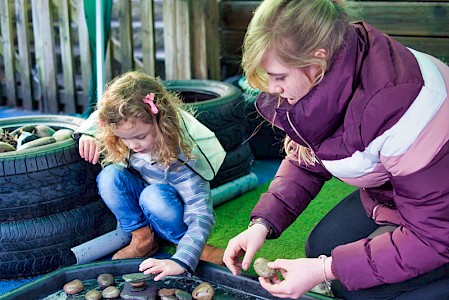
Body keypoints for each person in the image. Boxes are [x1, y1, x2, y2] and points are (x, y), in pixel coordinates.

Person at [222, 0, 449, 299]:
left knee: (354, 287)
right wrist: (262, 223)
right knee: (321, 248)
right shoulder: (331, 68)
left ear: (318, 60)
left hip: (438, 217)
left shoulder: (406, 110)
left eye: (279, 77)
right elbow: (308, 158)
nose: (272, 89)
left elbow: (432, 236)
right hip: (398, 194)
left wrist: (326, 271)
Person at [74, 70, 227, 280]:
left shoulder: (185, 153)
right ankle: (143, 238)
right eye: (125, 138)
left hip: (171, 208)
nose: (133, 145)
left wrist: (184, 258)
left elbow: (200, 213)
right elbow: (102, 113)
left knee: (152, 195)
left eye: (140, 136)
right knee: (109, 176)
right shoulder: (128, 133)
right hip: (148, 201)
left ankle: (188, 243)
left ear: (161, 119)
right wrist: (88, 133)